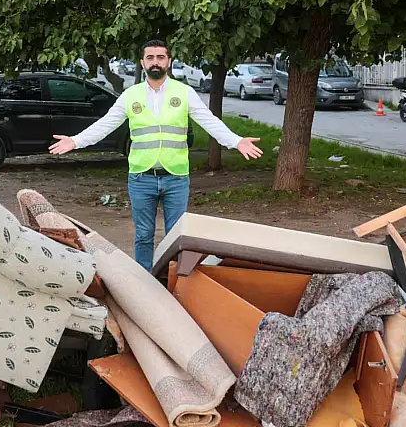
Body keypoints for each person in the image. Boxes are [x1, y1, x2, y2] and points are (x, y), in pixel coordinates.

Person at [49, 39, 263, 271]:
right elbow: (105, 125)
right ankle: (145, 279)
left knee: (176, 236)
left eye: (160, 57)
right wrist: (76, 140)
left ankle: (171, 280)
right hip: (141, 177)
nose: (155, 62)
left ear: (168, 62)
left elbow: (209, 122)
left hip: (176, 177)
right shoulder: (131, 95)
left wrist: (236, 141)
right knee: (143, 235)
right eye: (150, 58)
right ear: (142, 62)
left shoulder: (184, 93)